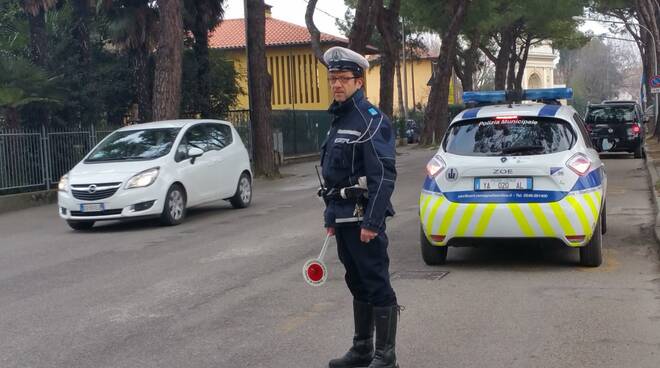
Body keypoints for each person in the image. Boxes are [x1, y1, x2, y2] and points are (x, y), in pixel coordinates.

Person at [319, 46, 400, 368]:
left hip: (362, 217)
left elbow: (383, 175)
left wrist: (373, 221)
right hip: (342, 217)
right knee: (356, 281)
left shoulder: (371, 120)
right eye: (332, 78)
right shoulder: (338, 120)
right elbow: (332, 175)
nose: (336, 84)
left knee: (376, 282)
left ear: (358, 81)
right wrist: (329, 216)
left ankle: (386, 356)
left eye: (343, 78)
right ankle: (362, 349)